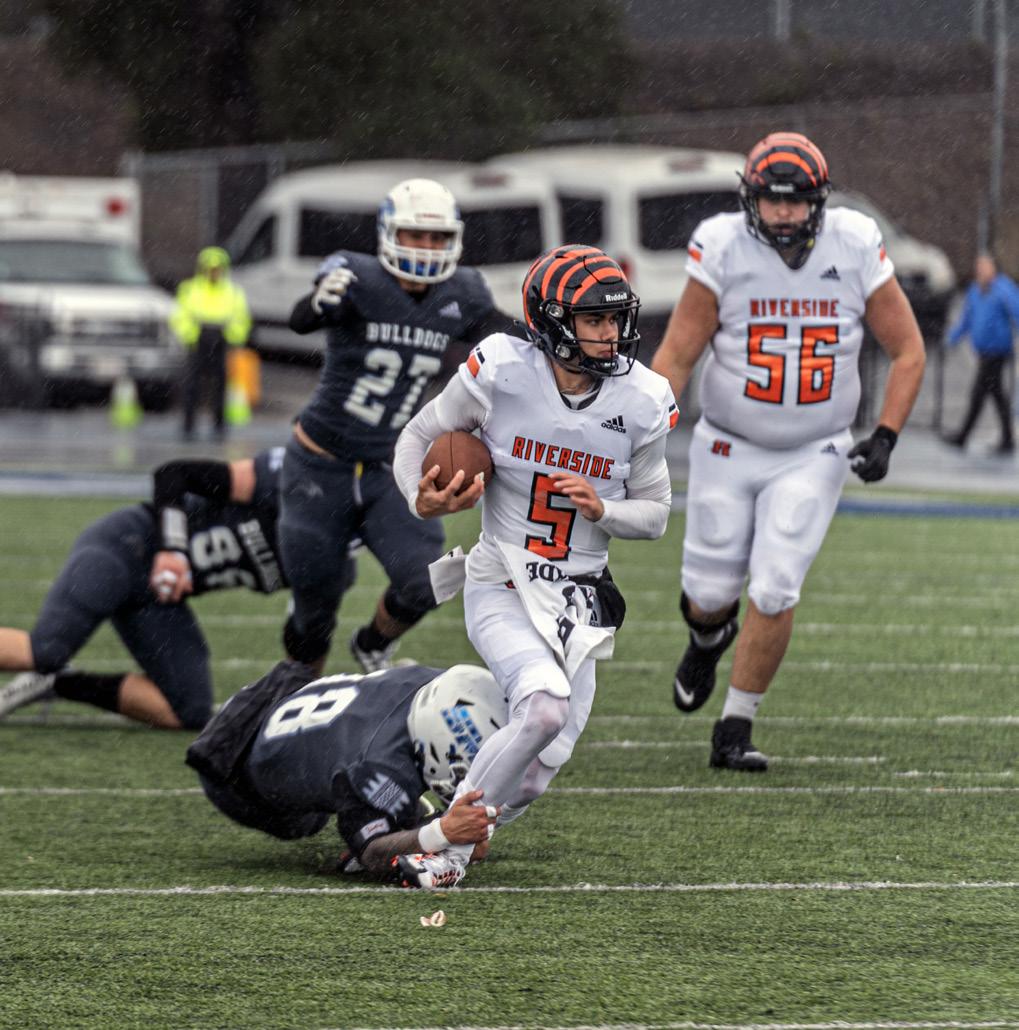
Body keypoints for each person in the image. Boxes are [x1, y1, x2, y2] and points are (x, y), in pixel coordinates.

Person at [389, 244, 677, 888]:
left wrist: (605, 509)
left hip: (580, 595)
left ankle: (439, 822)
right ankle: (444, 851)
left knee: (541, 768)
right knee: (543, 708)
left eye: (615, 319)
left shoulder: (643, 399)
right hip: (503, 579)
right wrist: (420, 496)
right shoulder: (500, 370)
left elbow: (657, 515)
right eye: (594, 320)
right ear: (551, 322)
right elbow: (416, 437)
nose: (611, 334)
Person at [651, 132, 926, 772]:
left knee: (776, 586)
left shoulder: (855, 243)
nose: (782, 213)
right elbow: (679, 353)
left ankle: (735, 726)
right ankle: (707, 638)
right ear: (749, 199)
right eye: (771, 200)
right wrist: (640, 433)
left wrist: (886, 434)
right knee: (708, 593)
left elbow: (908, 349)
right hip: (726, 445)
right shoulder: (721, 245)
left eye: (795, 200)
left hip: (815, 449)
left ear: (820, 201)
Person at [278, 177, 514, 676]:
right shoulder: (355, 276)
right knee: (314, 610)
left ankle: (372, 644)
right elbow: (301, 319)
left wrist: (555, 337)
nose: (426, 247)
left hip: (392, 466)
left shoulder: (463, 292)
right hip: (319, 464)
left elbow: (508, 339)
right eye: (414, 234)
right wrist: (318, 301)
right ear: (389, 233)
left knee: (429, 580)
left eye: (436, 237)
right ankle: (296, 694)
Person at [0, 448, 340, 729]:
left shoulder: (333, 561)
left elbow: (307, 642)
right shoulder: (285, 482)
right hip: (126, 547)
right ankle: (46, 667)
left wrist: (298, 709)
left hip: (157, 599)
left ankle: (56, 682)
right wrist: (173, 548)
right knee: (45, 651)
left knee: (187, 710)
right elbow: (173, 474)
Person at [187, 659, 506, 886]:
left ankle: (398, 812)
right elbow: (373, 853)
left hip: (282, 696)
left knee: (396, 803)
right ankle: (396, 812)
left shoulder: (439, 685)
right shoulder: (376, 765)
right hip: (237, 778)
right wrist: (442, 832)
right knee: (309, 823)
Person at [170, 246, 252, 441]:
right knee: (192, 384)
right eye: (211, 269)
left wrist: (232, 336)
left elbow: (242, 317)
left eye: (217, 269)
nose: (214, 273)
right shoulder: (190, 289)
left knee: (220, 384)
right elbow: (180, 315)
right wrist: (190, 335)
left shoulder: (232, 291)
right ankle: (189, 424)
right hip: (198, 338)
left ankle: (219, 424)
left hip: (221, 339)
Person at [942, 253, 1019, 456]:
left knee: (980, 393)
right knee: (996, 394)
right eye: (979, 267)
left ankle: (964, 436)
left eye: (985, 267)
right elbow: (966, 320)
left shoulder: (1003, 288)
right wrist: (952, 338)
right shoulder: (974, 291)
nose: (981, 271)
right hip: (983, 351)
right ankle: (1007, 438)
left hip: (998, 351)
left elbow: (1017, 311)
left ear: (994, 268)